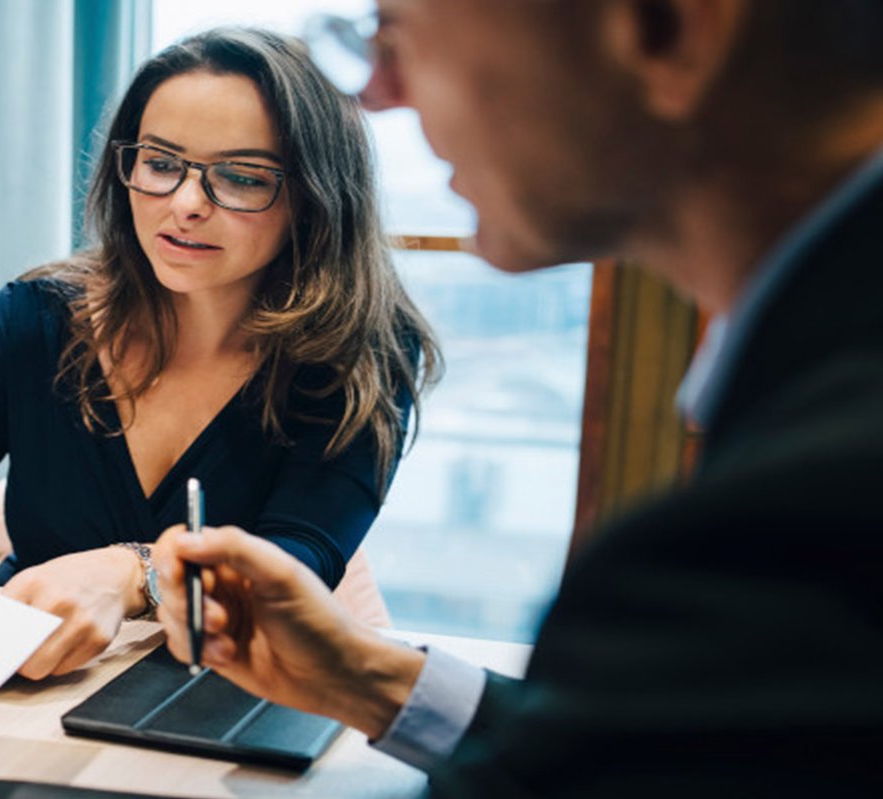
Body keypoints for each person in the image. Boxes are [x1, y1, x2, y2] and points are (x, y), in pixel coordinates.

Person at [147, 0, 883, 796]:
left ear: (666, 28)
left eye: (402, 37)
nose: (381, 93)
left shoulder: (792, 529)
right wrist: (365, 676)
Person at [0, 26, 435, 681]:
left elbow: (297, 566)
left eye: (242, 176)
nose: (185, 201)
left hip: (219, 696)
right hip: (31, 677)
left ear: (315, 197)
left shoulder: (360, 359)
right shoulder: (29, 322)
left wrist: (137, 573)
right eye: (160, 163)